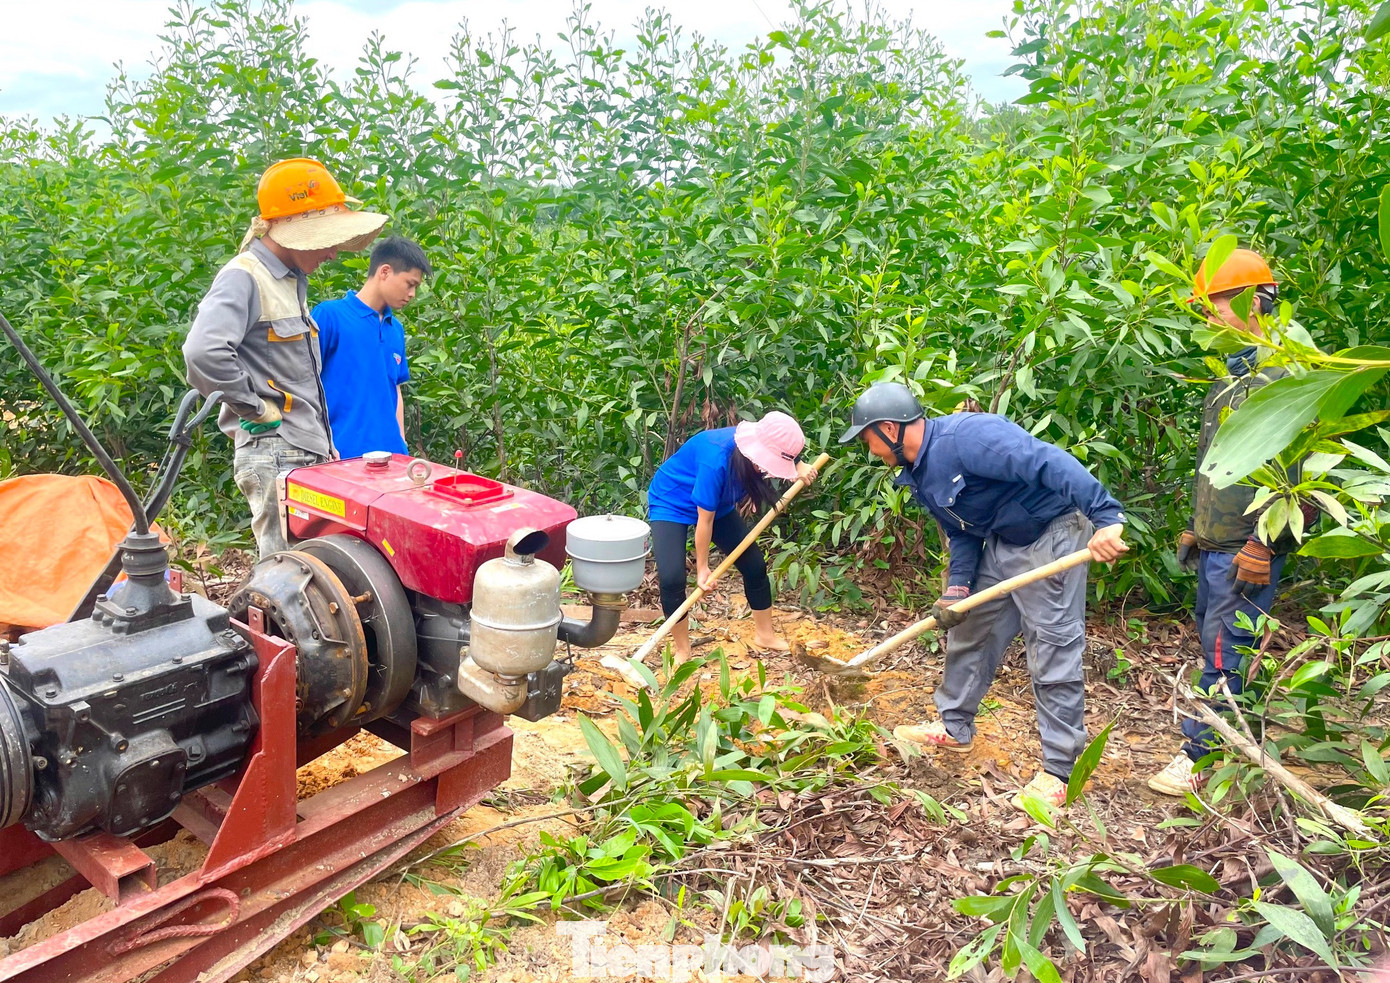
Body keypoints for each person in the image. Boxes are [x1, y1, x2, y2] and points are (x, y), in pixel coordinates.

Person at [840, 383, 1128, 812]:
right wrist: (958, 588)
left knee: (1052, 648)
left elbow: (1048, 461)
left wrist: (1107, 517)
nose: (871, 451)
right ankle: (954, 726)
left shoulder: (970, 438)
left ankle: (1062, 771)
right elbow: (961, 529)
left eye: (868, 440)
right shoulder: (918, 471)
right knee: (971, 629)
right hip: (1000, 544)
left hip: (1051, 537)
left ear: (889, 429)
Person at [1148, 248, 1312, 797]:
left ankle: (1200, 755)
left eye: (1215, 304)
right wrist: (1200, 524)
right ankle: (1236, 741)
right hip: (1218, 545)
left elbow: (1294, 476)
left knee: (1224, 650)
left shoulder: (1281, 380)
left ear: (1254, 301)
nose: (1209, 316)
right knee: (1217, 644)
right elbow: (1221, 465)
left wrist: (1264, 545)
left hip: (1247, 550)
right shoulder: (1229, 383)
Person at [183, 157, 387, 559]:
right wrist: (254, 407)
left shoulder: (289, 282)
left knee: (314, 575)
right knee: (286, 577)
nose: (331, 253)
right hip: (276, 450)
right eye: (327, 241)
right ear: (294, 229)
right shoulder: (245, 275)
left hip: (299, 449)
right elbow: (202, 352)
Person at [647, 411, 818, 660]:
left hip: (719, 503)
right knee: (672, 579)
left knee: (755, 566)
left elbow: (783, 446)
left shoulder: (765, 442)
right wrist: (702, 568)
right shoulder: (715, 460)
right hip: (671, 501)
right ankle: (683, 649)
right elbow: (704, 522)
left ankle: (765, 635)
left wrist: (799, 465)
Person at [313, 237, 431, 460]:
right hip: (339, 458)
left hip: (391, 460)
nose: (413, 294)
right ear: (385, 272)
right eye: (410, 283)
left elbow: (394, 388)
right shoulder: (330, 316)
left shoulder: (395, 328)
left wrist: (401, 445)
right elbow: (303, 382)